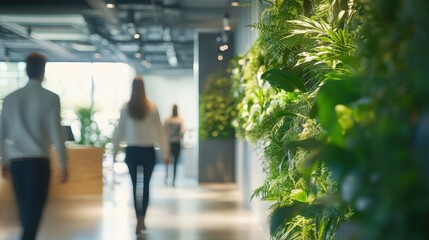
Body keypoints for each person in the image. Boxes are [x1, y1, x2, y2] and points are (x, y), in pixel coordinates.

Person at [0, 52, 68, 240]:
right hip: (38, 163)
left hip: (16, 163)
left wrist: (4, 161)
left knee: (24, 212)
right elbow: (56, 132)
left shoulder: (11, 98)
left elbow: (2, 132)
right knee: (34, 211)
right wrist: (63, 164)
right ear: (43, 71)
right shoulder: (51, 98)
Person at [112, 76, 170, 234]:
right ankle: (142, 220)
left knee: (133, 186)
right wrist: (165, 152)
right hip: (148, 151)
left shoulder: (126, 107)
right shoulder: (151, 107)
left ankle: (138, 218)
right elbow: (159, 131)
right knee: (145, 186)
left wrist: (115, 150)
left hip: (132, 151)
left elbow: (119, 131)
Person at [164, 104, 185, 187]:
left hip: (176, 143)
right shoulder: (167, 119)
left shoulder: (180, 119)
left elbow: (183, 130)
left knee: (175, 162)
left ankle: (173, 179)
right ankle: (166, 177)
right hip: (169, 142)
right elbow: (164, 130)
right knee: (167, 161)